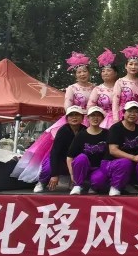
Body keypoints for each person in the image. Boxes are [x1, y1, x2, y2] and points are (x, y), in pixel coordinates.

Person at [13, 51, 95, 183]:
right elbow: (67, 104)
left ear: (89, 72)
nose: (82, 74)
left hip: (91, 119)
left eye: (84, 71)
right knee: (56, 149)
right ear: (75, 75)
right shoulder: (72, 88)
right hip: (74, 118)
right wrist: (74, 118)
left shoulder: (95, 88)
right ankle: (46, 176)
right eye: (79, 72)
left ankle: (83, 178)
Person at [68, 106, 128, 195]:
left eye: (98, 116)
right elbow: (70, 157)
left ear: (102, 118)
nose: (95, 118)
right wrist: (72, 175)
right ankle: (78, 185)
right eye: (92, 115)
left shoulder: (108, 134)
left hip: (100, 168)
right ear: (88, 118)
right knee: (81, 157)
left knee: (98, 180)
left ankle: (94, 186)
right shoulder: (81, 135)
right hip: (84, 168)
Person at [33, 105, 85, 193]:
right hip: (60, 159)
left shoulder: (85, 130)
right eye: (71, 115)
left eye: (77, 115)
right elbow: (55, 153)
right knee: (48, 167)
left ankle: (75, 183)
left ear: (82, 118)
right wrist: (54, 175)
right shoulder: (62, 131)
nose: (74, 117)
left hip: (75, 160)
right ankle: (42, 182)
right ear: (67, 118)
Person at [108, 100, 138, 191]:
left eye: (136, 112)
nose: (132, 114)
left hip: (133, 162)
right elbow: (113, 150)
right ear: (124, 113)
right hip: (114, 162)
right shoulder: (115, 128)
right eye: (130, 111)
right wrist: (133, 157)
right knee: (125, 162)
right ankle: (115, 187)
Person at [113, 45, 138, 124]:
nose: (133, 67)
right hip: (123, 114)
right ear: (125, 66)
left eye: (136, 64)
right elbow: (115, 102)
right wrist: (116, 118)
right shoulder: (120, 82)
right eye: (130, 64)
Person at [88, 49, 118, 130]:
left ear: (115, 73)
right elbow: (90, 106)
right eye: (103, 71)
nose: (105, 73)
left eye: (108, 70)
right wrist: (102, 114)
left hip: (119, 118)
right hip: (102, 121)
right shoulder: (97, 89)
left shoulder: (120, 87)